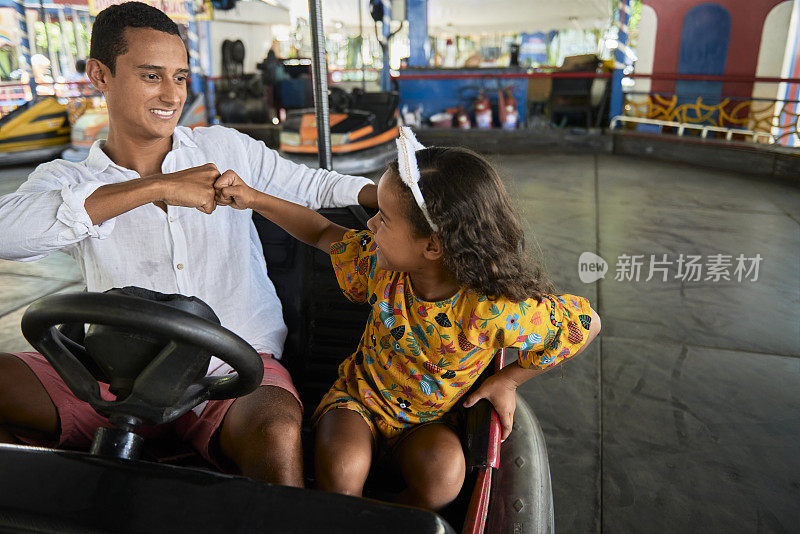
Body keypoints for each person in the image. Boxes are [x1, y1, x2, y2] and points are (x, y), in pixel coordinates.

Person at [0, 2, 377, 488]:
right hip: (110, 376)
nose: (171, 94)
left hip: (232, 373)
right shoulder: (67, 179)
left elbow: (314, 188)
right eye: (151, 75)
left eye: (179, 78)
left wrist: (397, 195)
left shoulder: (224, 148)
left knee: (277, 434)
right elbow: (8, 235)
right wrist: (156, 187)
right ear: (100, 74)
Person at [210, 126, 602, 510]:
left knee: (445, 478)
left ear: (432, 245)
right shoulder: (383, 267)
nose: (370, 223)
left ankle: (393, 514)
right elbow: (321, 232)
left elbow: (585, 324)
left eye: (384, 218)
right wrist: (255, 199)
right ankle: (345, 515)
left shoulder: (493, 310)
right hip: (357, 403)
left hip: (430, 422)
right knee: (343, 470)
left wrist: (509, 379)